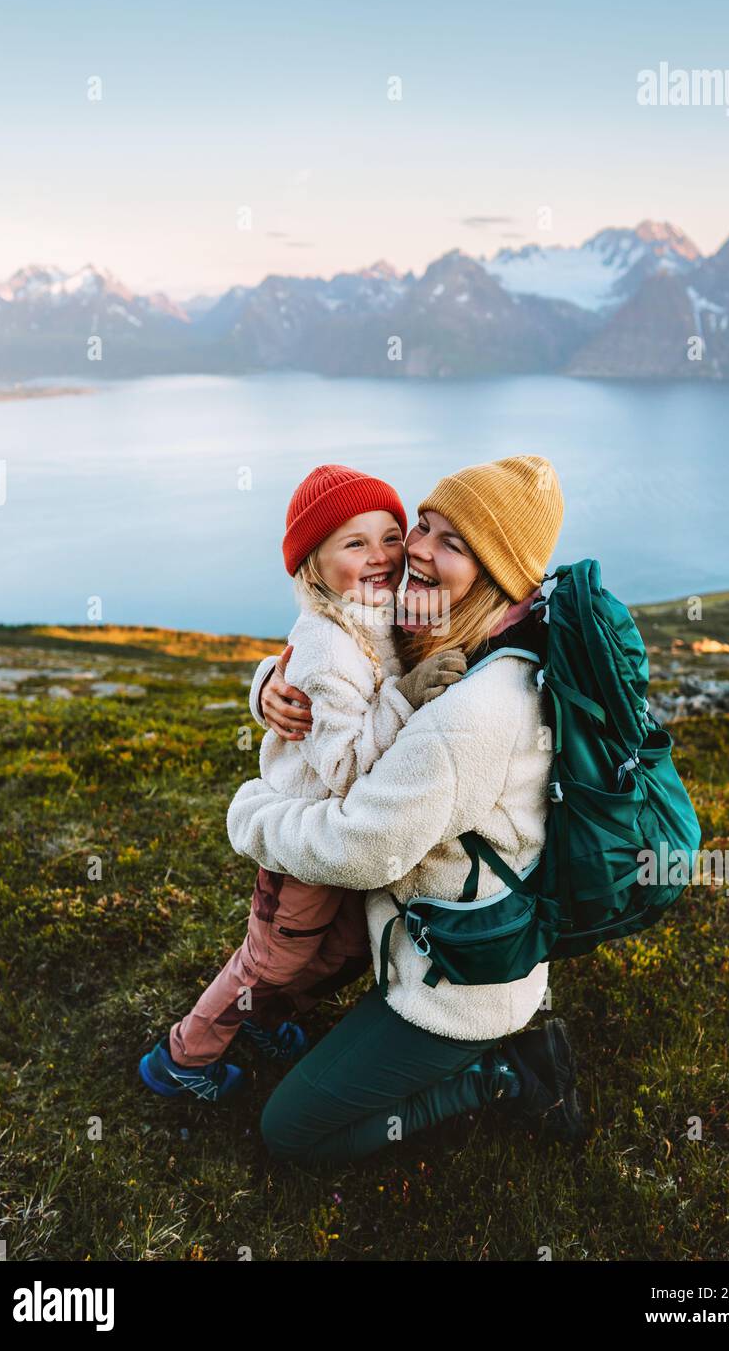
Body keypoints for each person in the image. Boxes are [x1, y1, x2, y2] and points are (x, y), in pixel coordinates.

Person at [227, 455, 586, 1166]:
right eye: (422, 524)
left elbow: (363, 849)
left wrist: (251, 815)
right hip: (423, 946)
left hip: (453, 990)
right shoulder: (469, 631)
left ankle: (503, 1074)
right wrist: (268, 682)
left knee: (290, 1131)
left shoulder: (477, 711)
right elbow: (343, 645)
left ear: (496, 573)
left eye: (452, 543)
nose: (415, 548)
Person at [139, 464, 465, 1101]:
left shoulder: (377, 612)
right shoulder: (330, 642)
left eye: (392, 536)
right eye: (354, 543)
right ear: (313, 566)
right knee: (271, 961)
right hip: (305, 840)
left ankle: (264, 1020)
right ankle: (182, 1056)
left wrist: (265, 683)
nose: (382, 556)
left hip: (342, 839)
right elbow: (343, 766)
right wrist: (406, 699)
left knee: (343, 948)